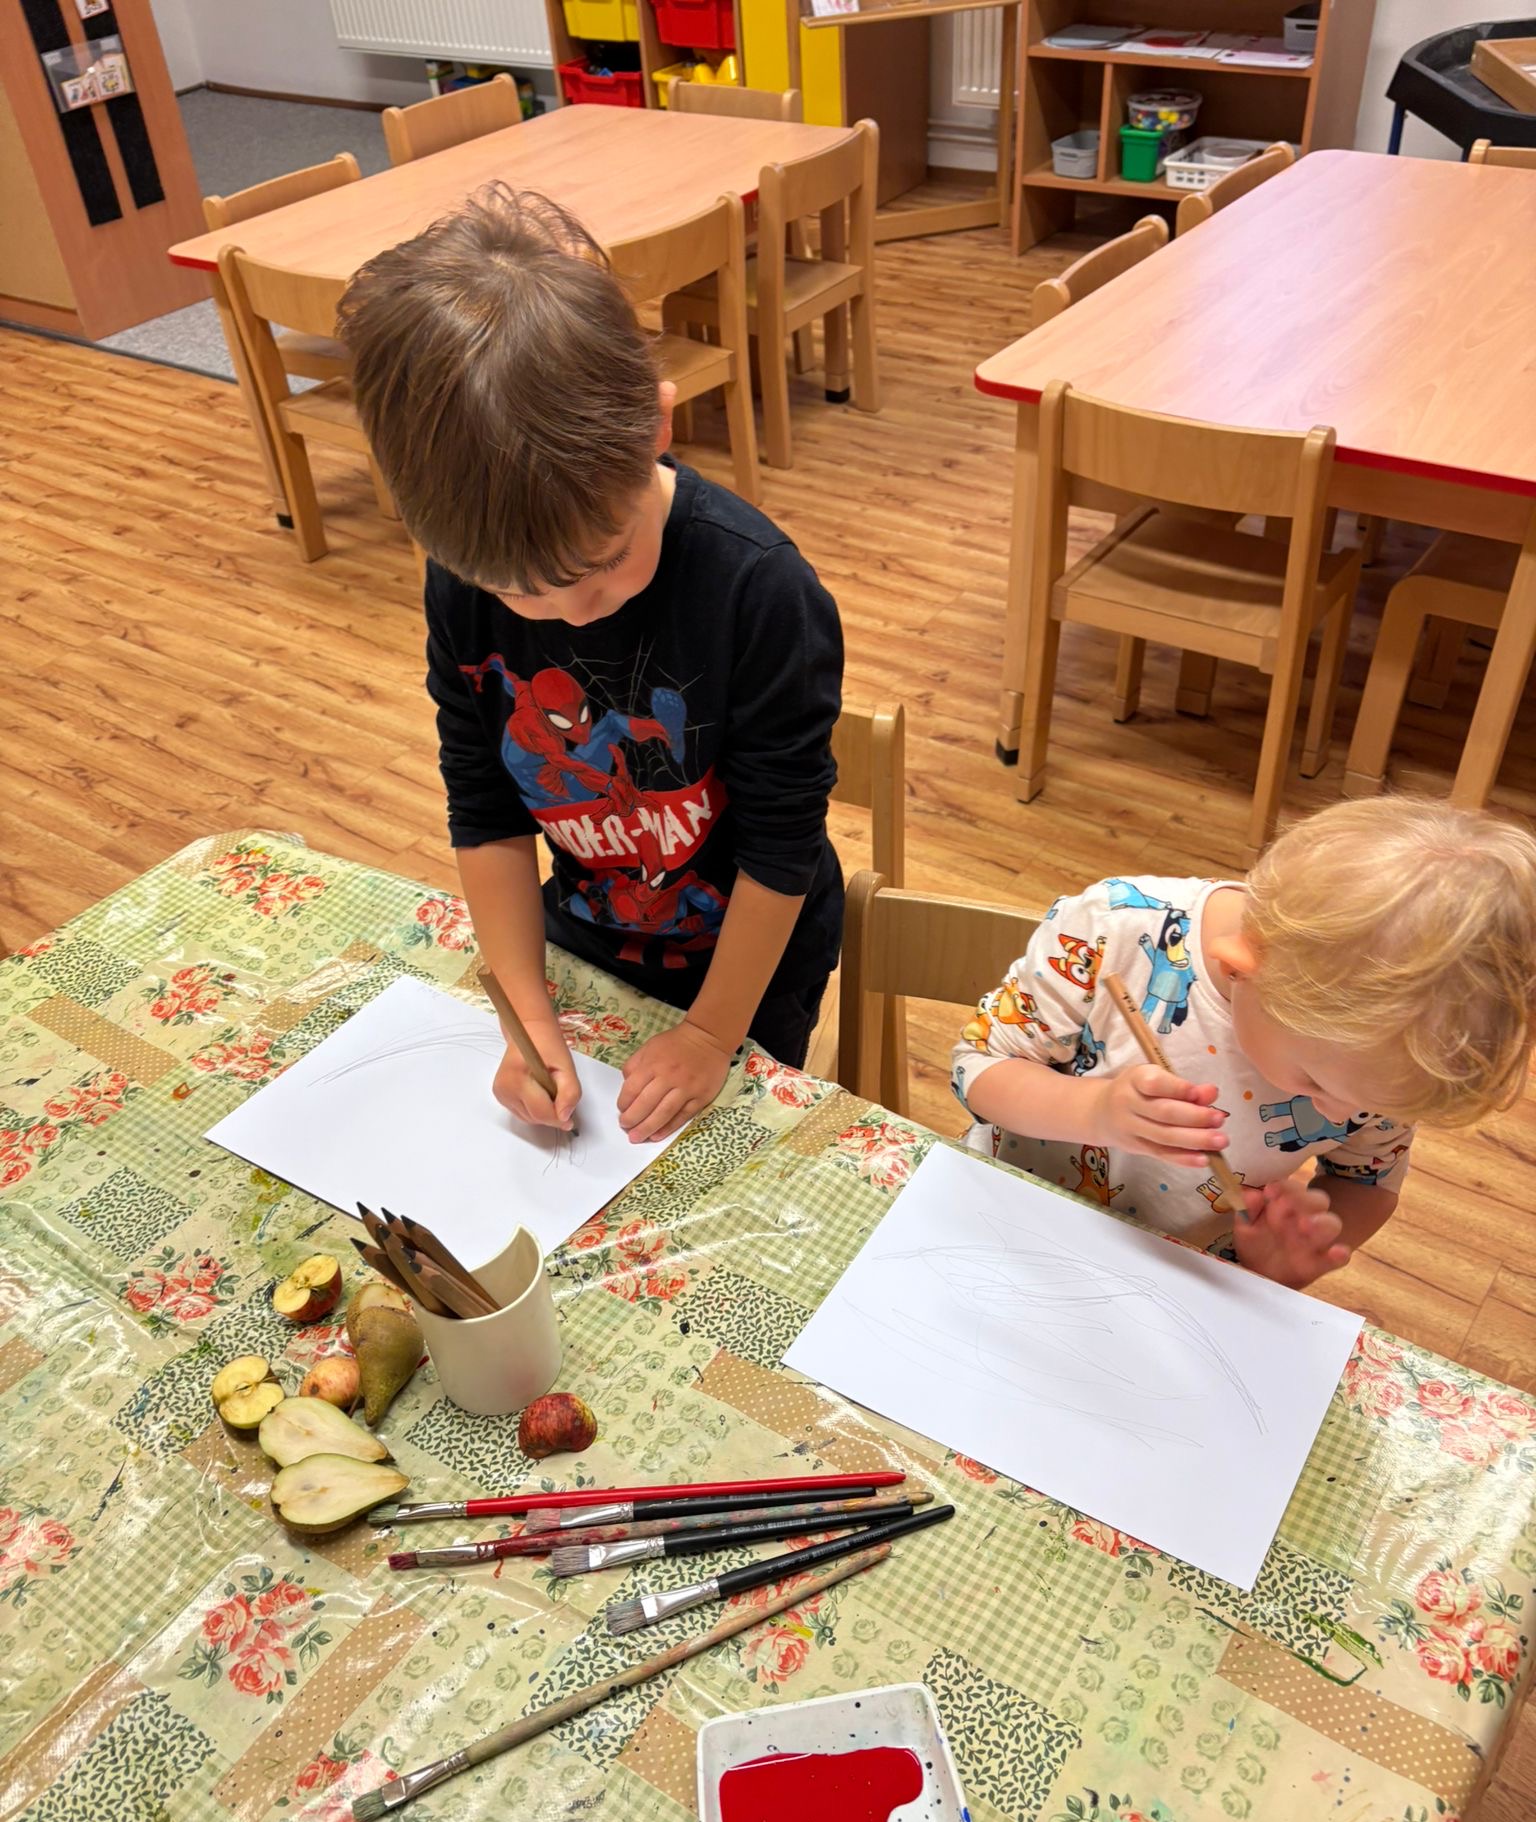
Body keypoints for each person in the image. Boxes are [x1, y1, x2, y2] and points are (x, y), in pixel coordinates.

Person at [337, 186, 842, 1143]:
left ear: (657, 426)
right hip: (585, 927)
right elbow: (484, 810)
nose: (570, 612)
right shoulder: (460, 586)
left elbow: (783, 848)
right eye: (519, 592)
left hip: (750, 964)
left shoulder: (758, 589)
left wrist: (709, 1035)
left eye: (603, 563)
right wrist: (525, 1015)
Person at [952, 797, 1536, 1290]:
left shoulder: (1387, 1049)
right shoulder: (1115, 928)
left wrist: (1295, 1253)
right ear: (1240, 972)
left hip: (1183, 1284)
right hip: (1004, 1212)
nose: (1342, 1116)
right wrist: (1096, 1112)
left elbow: (1367, 1180)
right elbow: (980, 1066)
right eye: (1314, 1083)